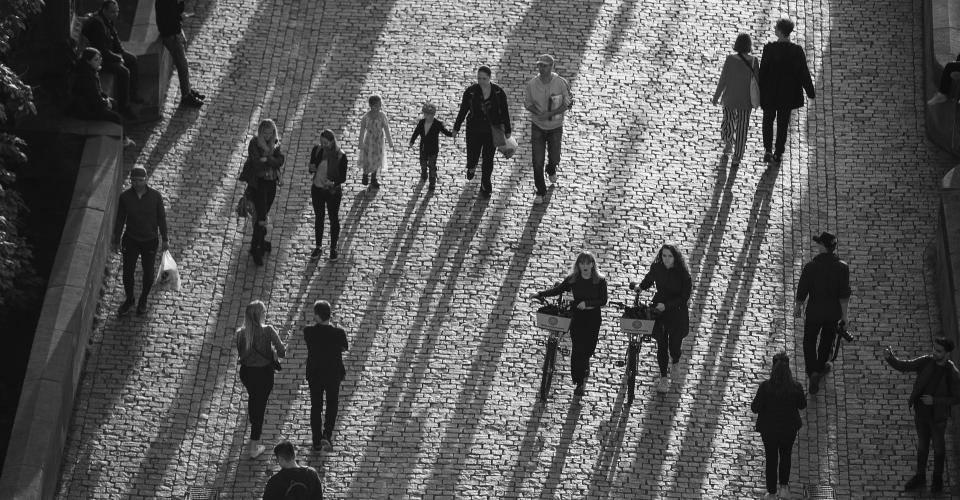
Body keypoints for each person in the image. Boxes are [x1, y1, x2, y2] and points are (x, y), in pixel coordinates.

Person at [884, 337, 960, 493]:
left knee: (939, 449)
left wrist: (935, 401)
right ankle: (920, 476)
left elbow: (957, 397)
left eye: (938, 351)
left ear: (947, 354)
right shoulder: (927, 361)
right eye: (934, 349)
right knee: (922, 446)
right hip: (921, 414)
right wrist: (890, 358)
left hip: (938, 418)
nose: (934, 353)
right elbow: (906, 365)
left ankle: (937, 480)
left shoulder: (951, 372)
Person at [529, 251, 608, 396]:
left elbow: (603, 300)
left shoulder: (600, 281)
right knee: (578, 350)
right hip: (577, 317)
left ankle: (584, 370)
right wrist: (540, 294)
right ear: (578, 265)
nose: (584, 266)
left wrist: (588, 303)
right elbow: (557, 290)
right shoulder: (573, 279)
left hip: (593, 318)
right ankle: (579, 382)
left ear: (592, 264)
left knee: (588, 350)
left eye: (587, 263)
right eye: (581, 263)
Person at [794, 232, 850, 395]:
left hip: (814, 312)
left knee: (809, 341)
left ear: (823, 247)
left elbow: (803, 289)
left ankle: (812, 372)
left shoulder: (811, 266)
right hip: (832, 314)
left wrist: (798, 306)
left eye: (819, 243)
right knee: (826, 342)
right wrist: (845, 316)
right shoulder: (842, 267)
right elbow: (844, 296)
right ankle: (819, 370)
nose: (817, 245)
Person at [112, 165, 169, 316]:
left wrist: (165, 238)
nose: (136, 183)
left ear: (146, 180)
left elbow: (161, 218)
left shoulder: (155, 197)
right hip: (131, 239)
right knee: (127, 272)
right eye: (133, 180)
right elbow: (120, 219)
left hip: (150, 240)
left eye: (140, 180)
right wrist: (116, 239)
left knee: (148, 273)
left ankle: (143, 299)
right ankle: (130, 299)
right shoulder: (125, 197)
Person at [751, 352, 807, 500]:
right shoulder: (795, 387)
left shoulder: (765, 387)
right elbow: (802, 405)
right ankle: (784, 487)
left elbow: (755, 408)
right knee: (786, 455)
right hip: (789, 430)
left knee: (771, 458)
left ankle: (771, 492)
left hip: (769, 430)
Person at [758, 18, 814, 164]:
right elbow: (803, 73)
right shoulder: (796, 51)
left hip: (770, 93)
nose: (774, 29)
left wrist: (758, 91)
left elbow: (762, 72)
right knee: (783, 123)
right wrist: (810, 92)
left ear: (781, 32)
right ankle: (778, 152)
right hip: (787, 95)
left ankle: (768, 150)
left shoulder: (769, 49)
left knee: (768, 121)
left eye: (776, 27)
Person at [638, 245, 693, 393]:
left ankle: (675, 360)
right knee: (662, 345)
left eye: (669, 256)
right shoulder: (657, 268)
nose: (666, 259)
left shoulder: (683, 275)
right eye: (664, 256)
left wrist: (667, 306)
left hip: (677, 313)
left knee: (674, 346)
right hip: (660, 312)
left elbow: (684, 298)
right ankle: (663, 378)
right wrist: (640, 287)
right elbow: (650, 278)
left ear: (675, 257)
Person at [453, 65, 513, 198]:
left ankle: (486, 184)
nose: (481, 81)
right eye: (479, 78)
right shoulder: (471, 92)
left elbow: (504, 112)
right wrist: (456, 127)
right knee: (473, 154)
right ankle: (471, 167)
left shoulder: (498, 92)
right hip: (474, 130)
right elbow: (463, 110)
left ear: (490, 78)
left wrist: (508, 130)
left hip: (491, 131)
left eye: (484, 78)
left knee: (488, 158)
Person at [236, 300, 286, 459]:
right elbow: (282, 352)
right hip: (264, 374)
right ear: (260, 315)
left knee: (253, 397)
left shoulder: (240, 333)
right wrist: (272, 351)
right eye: (264, 313)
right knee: (260, 406)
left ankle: (253, 420)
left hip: (247, 373)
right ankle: (254, 445)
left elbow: (241, 354)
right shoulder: (268, 330)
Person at [524, 54, 573, 204]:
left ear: (552, 66)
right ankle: (540, 191)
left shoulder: (560, 83)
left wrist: (550, 114)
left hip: (555, 127)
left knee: (555, 156)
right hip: (538, 126)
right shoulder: (532, 84)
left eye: (545, 65)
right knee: (537, 160)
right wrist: (538, 113)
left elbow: (567, 104)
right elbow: (527, 103)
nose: (541, 68)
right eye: (540, 65)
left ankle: (551, 169)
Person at [81, 0, 142, 119]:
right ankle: (124, 107)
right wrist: (118, 57)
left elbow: (115, 38)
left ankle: (133, 94)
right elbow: (102, 50)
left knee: (133, 59)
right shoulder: (97, 24)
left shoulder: (107, 20)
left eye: (117, 12)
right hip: (100, 59)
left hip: (109, 53)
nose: (116, 14)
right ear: (104, 11)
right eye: (113, 12)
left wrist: (121, 52)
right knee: (123, 72)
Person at [304, 300, 348, 452]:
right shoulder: (338, 333)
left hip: (315, 374)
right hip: (332, 373)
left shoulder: (308, 331)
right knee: (332, 404)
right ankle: (327, 434)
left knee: (316, 407)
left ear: (317, 316)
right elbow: (344, 347)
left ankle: (316, 441)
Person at [240, 119, 285, 266]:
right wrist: (269, 160)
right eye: (265, 133)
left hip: (271, 183)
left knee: (264, 214)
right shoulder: (254, 143)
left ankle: (260, 241)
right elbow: (255, 163)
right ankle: (256, 247)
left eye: (270, 132)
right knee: (260, 215)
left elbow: (280, 160)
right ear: (260, 132)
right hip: (259, 184)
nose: (267, 135)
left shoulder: (275, 142)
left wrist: (268, 159)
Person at [71, 48, 136, 147]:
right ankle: (123, 140)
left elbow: (99, 91)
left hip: (93, 103)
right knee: (116, 118)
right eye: (96, 59)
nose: (100, 60)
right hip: (86, 109)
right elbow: (94, 99)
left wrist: (106, 99)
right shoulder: (87, 77)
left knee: (114, 103)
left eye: (100, 58)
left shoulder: (91, 71)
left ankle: (122, 135)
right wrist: (106, 102)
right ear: (88, 61)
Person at [712, 33, 759, 168]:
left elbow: (723, 80)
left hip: (730, 99)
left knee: (728, 122)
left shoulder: (730, 60)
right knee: (742, 128)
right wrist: (758, 100)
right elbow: (757, 82)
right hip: (746, 101)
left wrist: (716, 97)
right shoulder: (754, 61)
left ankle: (728, 144)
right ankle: (737, 156)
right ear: (749, 46)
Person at [154, 0, 204, 107]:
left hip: (173, 31)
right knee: (182, 65)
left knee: (183, 64)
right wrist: (181, 17)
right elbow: (171, 17)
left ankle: (188, 89)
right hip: (171, 34)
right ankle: (186, 95)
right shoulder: (165, 3)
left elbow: (176, 12)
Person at [308, 129, 347, 262]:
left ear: (332, 142)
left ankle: (333, 248)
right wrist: (311, 167)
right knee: (319, 217)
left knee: (333, 218)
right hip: (317, 189)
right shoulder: (317, 150)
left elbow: (343, 177)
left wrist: (333, 182)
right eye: (321, 142)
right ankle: (318, 246)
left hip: (332, 192)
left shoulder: (341, 156)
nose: (323, 145)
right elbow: (312, 166)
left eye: (326, 143)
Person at [408, 102, 453, 191]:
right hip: (423, 148)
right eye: (424, 114)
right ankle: (424, 174)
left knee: (432, 166)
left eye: (427, 114)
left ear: (432, 114)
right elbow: (416, 132)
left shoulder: (437, 124)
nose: (425, 116)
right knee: (423, 163)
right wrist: (412, 141)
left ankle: (432, 183)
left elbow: (445, 132)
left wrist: (452, 134)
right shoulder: (421, 122)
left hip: (433, 149)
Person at [357, 95, 393, 189]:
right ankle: (365, 175)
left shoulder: (382, 116)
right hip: (369, 141)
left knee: (377, 159)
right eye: (376, 106)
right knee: (367, 158)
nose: (378, 108)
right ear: (371, 106)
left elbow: (386, 128)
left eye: (379, 106)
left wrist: (390, 141)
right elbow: (362, 129)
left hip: (379, 141)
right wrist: (360, 142)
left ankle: (374, 178)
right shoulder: (366, 117)